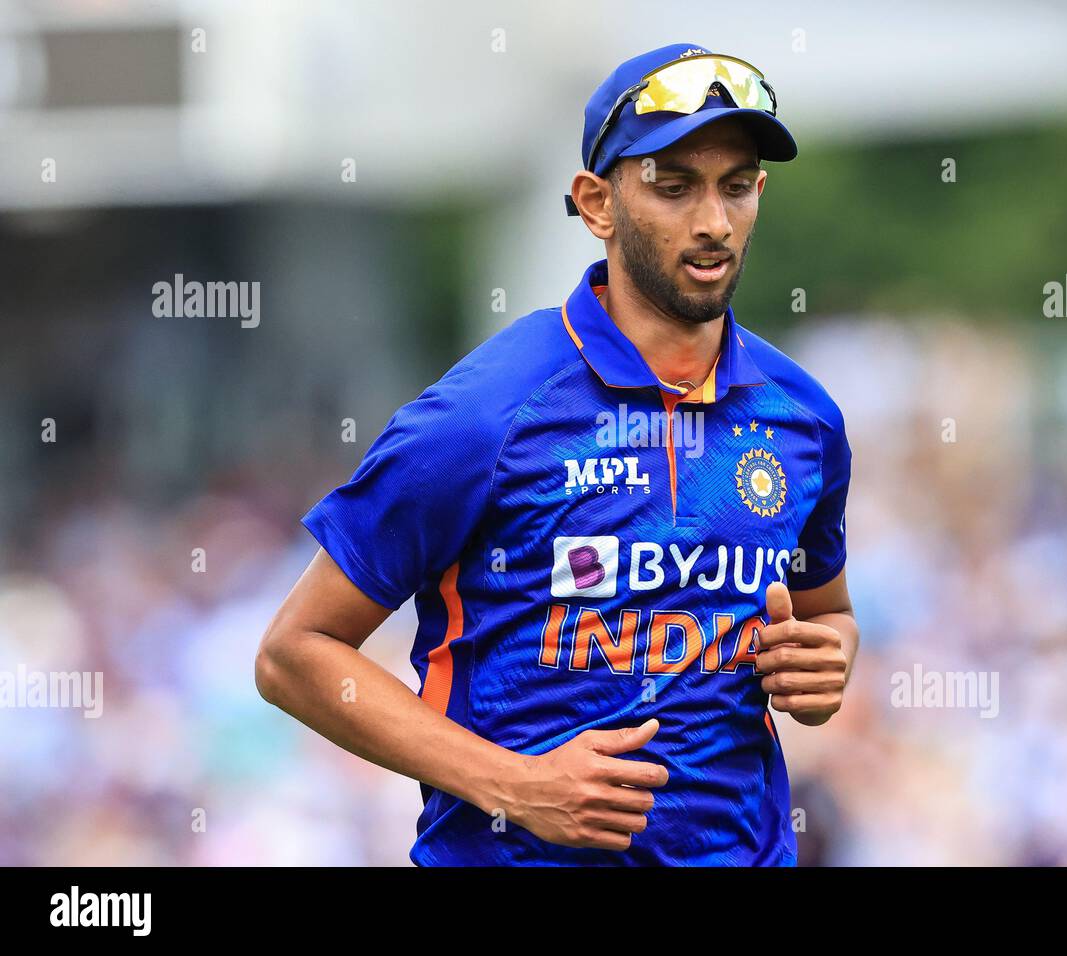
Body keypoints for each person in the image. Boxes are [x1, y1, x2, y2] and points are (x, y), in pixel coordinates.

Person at [255, 42, 857, 865]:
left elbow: (827, 619)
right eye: (673, 186)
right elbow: (294, 655)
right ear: (597, 203)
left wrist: (828, 666)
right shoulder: (483, 415)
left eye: (737, 185)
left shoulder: (803, 419)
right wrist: (511, 785)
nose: (714, 221)